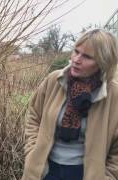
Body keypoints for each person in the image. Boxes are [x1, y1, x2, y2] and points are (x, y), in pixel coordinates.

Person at [22, 29, 118, 180]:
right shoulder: (54, 81)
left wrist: (108, 176)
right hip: (45, 171)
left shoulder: (114, 95)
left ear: (102, 63)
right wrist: (33, 152)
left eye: (87, 56)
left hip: (85, 174)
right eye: (76, 51)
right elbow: (34, 117)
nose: (76, 59)